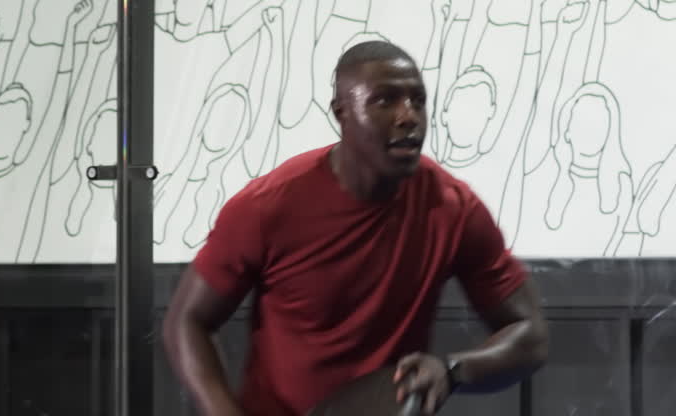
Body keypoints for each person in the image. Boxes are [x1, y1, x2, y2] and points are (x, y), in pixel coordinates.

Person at [163, 40, 549, 416]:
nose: (408, 116)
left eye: (418, 100)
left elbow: (529, 335)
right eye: (385, 100)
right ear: (341, 111)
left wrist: (452, 369)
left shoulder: (452, 207)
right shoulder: (268, 206)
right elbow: (187, 321)